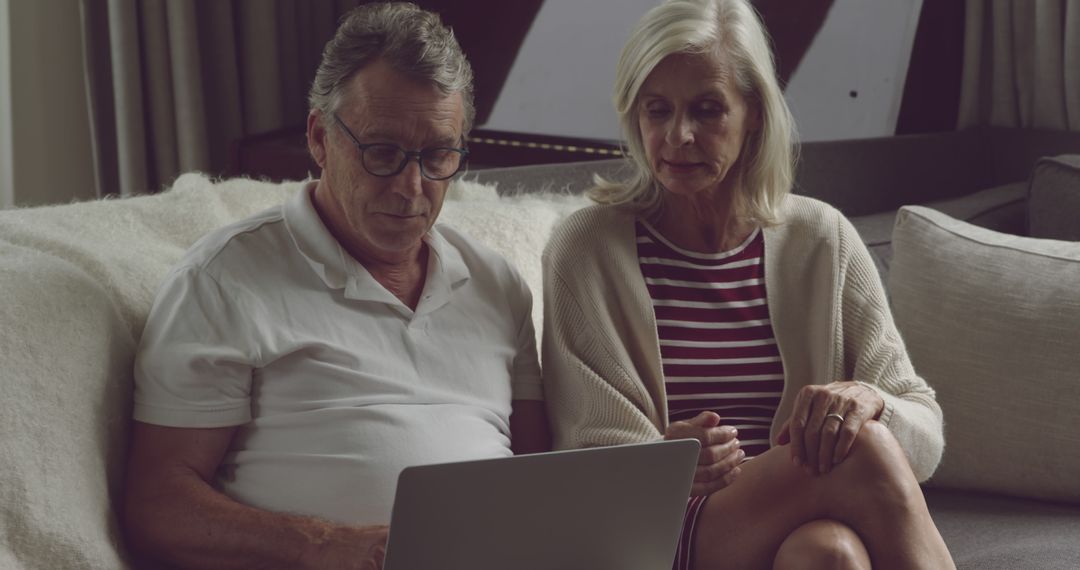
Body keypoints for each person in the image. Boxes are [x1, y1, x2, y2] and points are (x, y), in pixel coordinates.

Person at [123, 4, 549, 568]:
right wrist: (320, 543)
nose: (411, 187)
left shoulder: (497, 284)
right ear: (320, 138)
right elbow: (156, 506)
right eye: (382, 152)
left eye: (439, 155)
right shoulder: (224, 279)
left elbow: (543, 481)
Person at [541, 0, 955, 568]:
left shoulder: (822, 238)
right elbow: (582, 464)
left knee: (829, 554)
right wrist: (667, 460)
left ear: (755, 111)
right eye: (656, 110)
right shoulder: (585, 249)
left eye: (707, 110)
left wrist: (872, 400)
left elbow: (925, 436)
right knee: (855, 449)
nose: (678, 135)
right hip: (654, 533)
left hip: (793, 530)